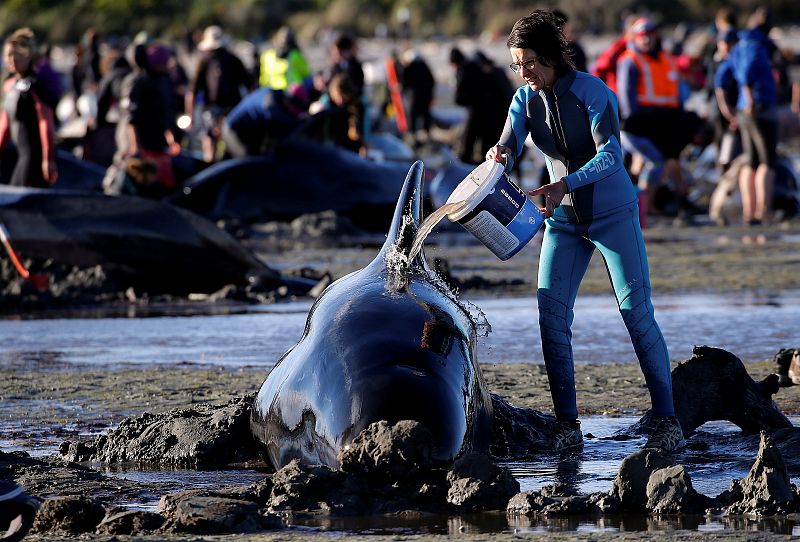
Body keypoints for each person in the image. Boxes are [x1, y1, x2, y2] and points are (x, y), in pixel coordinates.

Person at [485, 10, 683, 452]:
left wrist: (565, 184)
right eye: (517, 64)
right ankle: (567, 426)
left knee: (636, 314)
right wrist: (498, 153)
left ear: (553, 56)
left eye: (531, 61)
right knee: (551, 319)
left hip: (612, 215)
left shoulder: (594, 93)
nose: (524, 72)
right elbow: (510, 145)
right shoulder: (524, 101)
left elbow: (612, 156)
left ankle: (668, 420)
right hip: (563, 222)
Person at [617, 17, 695, 221]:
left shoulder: (665, 58)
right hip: (640, 124)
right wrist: (633, 119)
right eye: (642, 36)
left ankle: (649, 205)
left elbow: (676, 91)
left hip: (665, 123)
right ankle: (640, 207)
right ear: (635, 37)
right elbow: (627, 96)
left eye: (650, 35)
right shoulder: (630, 59)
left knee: (660, 162)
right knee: (654, 163)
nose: (647, 40)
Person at [729, 7, 778, 225]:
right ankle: (762, 210)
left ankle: (750, 211)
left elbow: (731, 71)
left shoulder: (740, 42)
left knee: (751, 160)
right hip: (758, 107)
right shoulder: (756, 44)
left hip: (743, 108)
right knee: (767, 161)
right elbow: (746, 72)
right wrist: (750, 99)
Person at [0, 28, 58, 187]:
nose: (11, 59)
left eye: (16, 54)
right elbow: (5, 125)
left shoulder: (36, 84)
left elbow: (45, 123)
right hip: (21, 156)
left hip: (35, 158)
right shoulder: (9, 85)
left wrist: (48, 159)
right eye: (8, 55)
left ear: (28, 54)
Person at [185, 25, 252, 162]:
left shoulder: (231, 60)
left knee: (220, 147)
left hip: (230, 110)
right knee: (213, 146)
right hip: (215, 111)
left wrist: (190, 115)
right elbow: (193, 91)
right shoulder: (206, 62)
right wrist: (190, 115)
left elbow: (248, 84)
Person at [222, 82, 309, 157]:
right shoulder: (270, 99)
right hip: (233, 131)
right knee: (251, 163)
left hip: (251, 131)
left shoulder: (279, 97)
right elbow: (275, 116)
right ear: (288, 101)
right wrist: (299, 121)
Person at [400, 49, 435, 143]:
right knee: (426, 114)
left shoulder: (409, 67)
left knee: (413, 115)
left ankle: (413, 134)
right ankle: (427, 133)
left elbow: (404, 82)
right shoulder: (425, 66)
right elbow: (432, 81)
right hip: (425, 96)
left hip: (414, 96)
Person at [259, 26, 310, 91]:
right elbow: (306, 72)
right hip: (291, 92)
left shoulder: (266, 56)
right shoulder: (294, 55)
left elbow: (263, 80)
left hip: (274, 93)